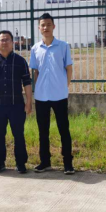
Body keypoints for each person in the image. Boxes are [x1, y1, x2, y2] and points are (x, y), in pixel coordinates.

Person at [29, 13, 75, 175]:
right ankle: (45, 162)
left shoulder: (63, 46)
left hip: (59, 95)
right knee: (43, 131)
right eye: (43, 25)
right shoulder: (35, 49)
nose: (46, 27)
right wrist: (37, 88)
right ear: (39, 28)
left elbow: (69, 68)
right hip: (41, 96)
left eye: (48, 24)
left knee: (64, 130)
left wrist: (64, 86)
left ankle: (68, 163)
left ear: (53, 26)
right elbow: (36, 72)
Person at [0, 30, 33, 174]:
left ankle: (21, 163)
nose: (4, 42)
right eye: (1, 40)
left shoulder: (20, 61)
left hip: (16, 106)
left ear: (12, 43)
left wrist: (29, 102)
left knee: (19, 135)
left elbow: (27, 82)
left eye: (7, 40)